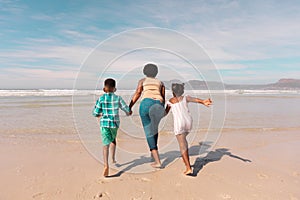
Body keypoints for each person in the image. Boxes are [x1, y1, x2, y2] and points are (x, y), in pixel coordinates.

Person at [165, 83, 212, 175]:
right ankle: (185, 158)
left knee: (182, 145)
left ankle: (188, 168)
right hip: (188, 122)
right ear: (182, 91)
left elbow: (164, 113)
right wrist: (204, 101)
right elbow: (196, 100)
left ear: (173, 92)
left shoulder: (170, 101)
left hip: (179, 123)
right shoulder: (186, 97)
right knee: (184, 140)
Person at [93, 78, 132, 177]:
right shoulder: (118, 98)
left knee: (105, 143)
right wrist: (129, 112)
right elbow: (126, 109)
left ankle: (106, 165)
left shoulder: (101, 99)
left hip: (104, 124)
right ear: (115, 89)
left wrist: (100, 114)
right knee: (113, 140)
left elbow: (95, 113)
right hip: (114, 124)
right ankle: (113, 158)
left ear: (104, 89)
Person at [129, 63, 165, 168]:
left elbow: (138, 93)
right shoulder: (160, 82)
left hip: (146, 104)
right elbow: (163, 96)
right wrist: (162, 109)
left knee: (148, 131)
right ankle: (154, 154)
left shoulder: (142, 81)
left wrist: (130, 106)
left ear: (144, 72)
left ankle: (157, 160)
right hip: (158, 104)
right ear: (156, 72)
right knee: (155, 129)